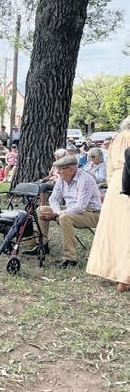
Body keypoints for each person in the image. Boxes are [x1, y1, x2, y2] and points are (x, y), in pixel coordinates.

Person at [29, 155, 101, 269]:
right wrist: (57, 211)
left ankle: (70, 259)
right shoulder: (62, 178)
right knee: (41, 210)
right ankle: (42, 245)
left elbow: (81, 206)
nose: (57, 172)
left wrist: (58, 214)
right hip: (71, 210)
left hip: (92, 214)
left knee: (64, 218)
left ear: (71, 169)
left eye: (60, 169)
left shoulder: (85, 179)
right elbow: (53, 199)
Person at [87, 118, 130, 291]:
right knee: (127, 232)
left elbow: (110, 169)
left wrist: (113, 185)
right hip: (127, 184)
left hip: (116, 185)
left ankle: (112, 271)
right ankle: (125, 278)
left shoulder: (116, 139)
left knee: (114, 231)